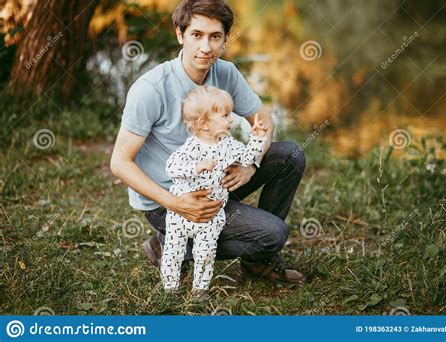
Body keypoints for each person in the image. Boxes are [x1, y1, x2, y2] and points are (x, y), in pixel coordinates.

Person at [110, 0, 306, 286]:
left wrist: (250, 165)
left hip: (216, 182)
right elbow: (119, 162)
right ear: (180, 35)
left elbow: (265, 123)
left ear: (225, 38)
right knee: (273, 234)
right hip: (168, 199)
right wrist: (176, 204)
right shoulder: (150, 89)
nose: (206, 47)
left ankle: (258, 263)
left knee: (290, 155)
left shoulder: (225, 73)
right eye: (196, 35)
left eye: (215, 37)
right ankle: (170, 245)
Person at [162, 85, 267, 296]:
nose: (232, 120)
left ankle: (200, 289)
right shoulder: (190, 148)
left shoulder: (229, 144)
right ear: (204, 124)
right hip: (180, 213)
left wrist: (255, 139)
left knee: (206, 252)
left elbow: (247, 159)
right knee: (173, 250)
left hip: (211, 214)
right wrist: (197, 167)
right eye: (225, 115)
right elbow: (171, 168)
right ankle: (170, 287)